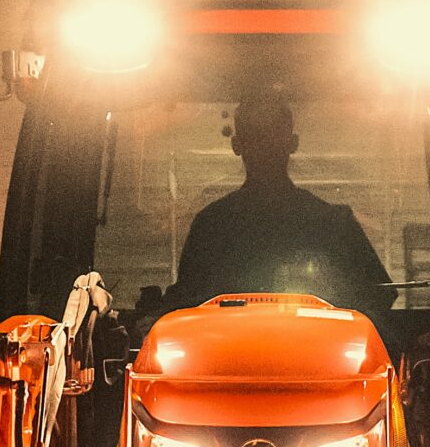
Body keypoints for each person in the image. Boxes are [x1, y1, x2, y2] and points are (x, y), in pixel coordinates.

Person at [170, 91, 397, 319]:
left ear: (236, 145)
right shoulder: (332, 223)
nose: (266, 146)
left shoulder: (212, 225)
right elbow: (376, 298)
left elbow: (377, 298)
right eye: (258, 137)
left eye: (272, 136)